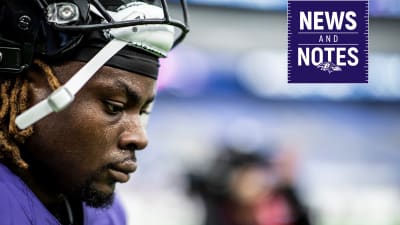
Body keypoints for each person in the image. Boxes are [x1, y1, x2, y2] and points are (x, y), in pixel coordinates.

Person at [0, 0, 189, 224]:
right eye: (114, 107)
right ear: (29, 93)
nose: (140, 138)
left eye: (143, 111)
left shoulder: (106, 213)